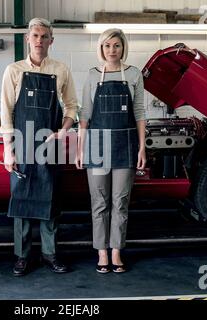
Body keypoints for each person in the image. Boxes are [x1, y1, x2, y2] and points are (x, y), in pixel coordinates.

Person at [0, 18, 78, 276]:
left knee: (50, 200)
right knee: (21, 200)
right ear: (28, 39)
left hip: (50, 143)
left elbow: (71, 107)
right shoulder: (13, 70)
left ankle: (49, 253)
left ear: (51, 41)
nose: (39, 40)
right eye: (35, 35)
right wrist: (8, 149)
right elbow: (7, 110)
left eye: (45, 36)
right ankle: (22, 257)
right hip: (21, 142)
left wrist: (63, 131)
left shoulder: (61, 69)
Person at [75, 28, 147, 274]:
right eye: (107, 46)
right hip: (96, 147)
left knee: (120, 201)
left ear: (123, 47)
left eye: (116, 45)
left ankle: (116, 250)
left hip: (126, 146)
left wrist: (142, 149)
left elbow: (139, 114)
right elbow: (84, 115)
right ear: (101, 49)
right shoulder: (93, 75)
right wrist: (80, 148)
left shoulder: (135, 75)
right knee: (100, 202)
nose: (112, 50)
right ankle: (101, 251)